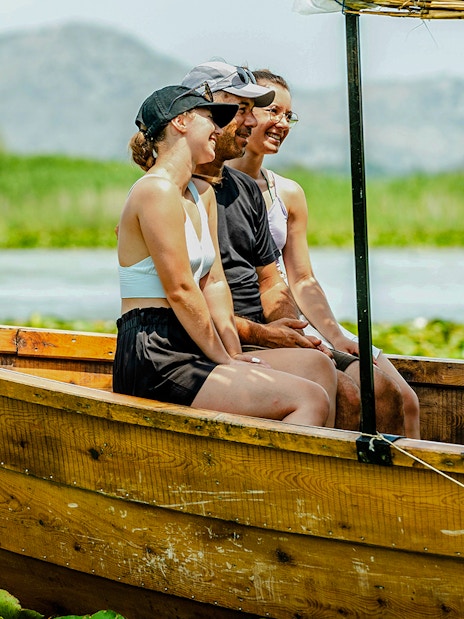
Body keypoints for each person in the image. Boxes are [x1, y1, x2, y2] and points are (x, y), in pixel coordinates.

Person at [182, 61, 407, 435]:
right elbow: (190, 295)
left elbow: (275, 281)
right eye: (247, 112)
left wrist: (303, 335)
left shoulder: (248, 189)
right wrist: (261, 335)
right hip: (223, 338)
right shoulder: (174, 191)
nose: (253, 123)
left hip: (261, 332)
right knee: (346, 393)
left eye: (288, 115)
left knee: (384, 391)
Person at [113, 83, 337, 428]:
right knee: (308, 398)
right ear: (182, 123)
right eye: (210, 119)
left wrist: (233, 352)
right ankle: (282, 480)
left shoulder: (200, 192)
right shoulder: (155, 191)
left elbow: (214, 283)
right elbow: (181, 290)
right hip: (155, 350)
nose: (220, 130)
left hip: (198, 341)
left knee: (317, 366)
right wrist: (225, 361)